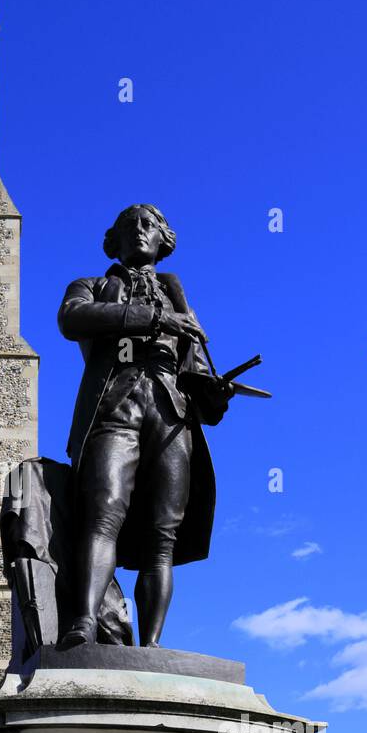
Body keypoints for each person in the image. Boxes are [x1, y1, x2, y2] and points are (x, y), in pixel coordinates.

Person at [58, 204, 233, 648]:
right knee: (104, 512)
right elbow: (72, 317)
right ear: (112, 240)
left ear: (163, 239)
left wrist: (216, 391)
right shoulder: (93, 284)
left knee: (163, 534)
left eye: (149, 224)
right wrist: (156, 319)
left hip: (172, 414)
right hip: (116, 404)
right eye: (128, 225)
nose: (139, 230)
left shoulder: (179, 297)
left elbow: (200, 382)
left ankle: (151, 645)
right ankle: (82, 623)